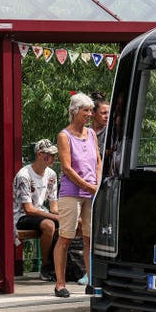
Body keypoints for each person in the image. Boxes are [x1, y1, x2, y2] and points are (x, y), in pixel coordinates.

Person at [55, 93, 101, 297]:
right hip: (72, 192)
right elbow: (67, 168)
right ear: (75, 111)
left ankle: (92, 281)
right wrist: (88, 186)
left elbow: (98, 160)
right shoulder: (64, 135)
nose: (90, 114)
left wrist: (97, 184)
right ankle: (60, 283)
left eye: (91, 110)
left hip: (92, 192)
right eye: (86, 110)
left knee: (90, 238)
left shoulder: (91, 134)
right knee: (66, 237)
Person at [13, 139, 60, 282]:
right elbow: (28, 209)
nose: (53, 158)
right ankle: (45, 266)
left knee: (69, 225)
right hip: (21, 216)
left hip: (41, 212)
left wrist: (64, 216)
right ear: (39, 155)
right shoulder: (24, 175)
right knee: (49, 225)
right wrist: (54, 217)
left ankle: (61, 265)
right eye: (49, 154)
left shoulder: (51, 174)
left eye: (54, 155)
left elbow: (54, 205)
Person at [90, 91, 110, 157]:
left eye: (108, 113)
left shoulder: (111, 132)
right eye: (103, 113)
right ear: (93, 113)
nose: (107, 116)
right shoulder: (84, 131)